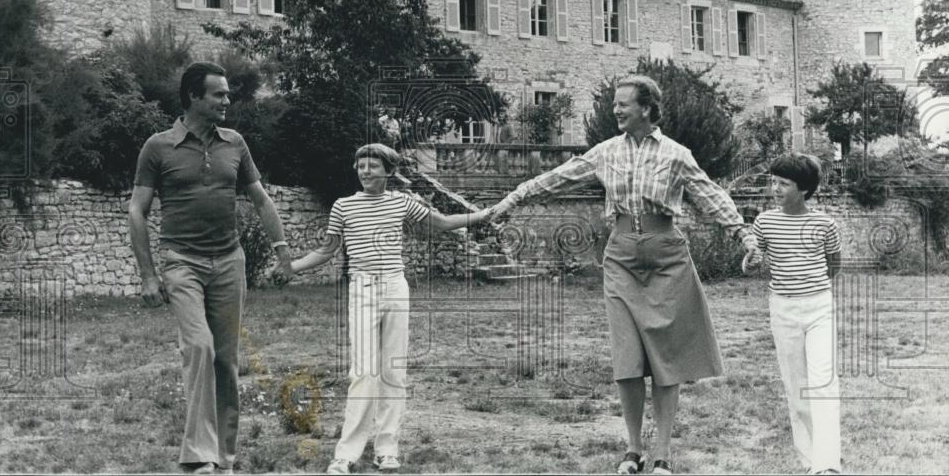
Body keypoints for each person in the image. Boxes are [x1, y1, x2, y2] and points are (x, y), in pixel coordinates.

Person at [489, 75, 757, 475]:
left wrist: (743, 235)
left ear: (646, 108)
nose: (615, 110)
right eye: (615, 104)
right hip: (620, 260)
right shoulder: (605, 152)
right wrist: (511, 199)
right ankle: (633, 451)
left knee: (665, 358)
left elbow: (710, 195)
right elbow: (557, 178)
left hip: (667, 258)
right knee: (627, 358)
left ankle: (662, 453)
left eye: (622, 104)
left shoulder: (676, 154)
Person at [128, 62, 294, 475]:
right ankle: (199, 454)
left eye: (226, 94)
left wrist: (282, 250)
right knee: (198, 346)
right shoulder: (158, 147)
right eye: (218, 94)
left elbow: (260, 199)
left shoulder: (234, 143)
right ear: (193, 98)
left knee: (225, 358)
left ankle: (224, 458)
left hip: (228, 261)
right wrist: (148, 274)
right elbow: (138, 210)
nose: (226, 101)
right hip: (181, 262)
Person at [289, 143, 491, 475]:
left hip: (395, 287)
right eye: (360, 165)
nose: (365, 171)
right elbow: (326, 251)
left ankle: (387, 449)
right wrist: (293, 267)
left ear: (388, 171)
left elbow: (439, 222)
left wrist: (480, 215)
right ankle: (346, 454)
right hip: (362, 289)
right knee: (363, 374)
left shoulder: (401, 202)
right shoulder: (344, 206)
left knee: (392, 373)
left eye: (372, 165)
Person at [744, 154, 842, 475]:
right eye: (774, 181)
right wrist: (751, 262)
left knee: (823, 383)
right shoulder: (765, 221)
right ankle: (809, 460)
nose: (775, 188)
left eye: (783, 184)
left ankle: (827, 464)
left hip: (818, 307)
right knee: (796, 387)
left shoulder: (825, 224)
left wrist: (813, 288)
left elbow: (833, 265)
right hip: (783, 308)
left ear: (804, 189)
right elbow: (755, 260)